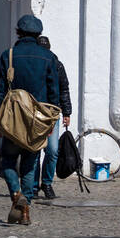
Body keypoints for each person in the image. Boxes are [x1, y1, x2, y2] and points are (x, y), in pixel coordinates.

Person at [0, 14, 60, 226]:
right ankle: (25, 206)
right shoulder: (49, 57)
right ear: (38, 34)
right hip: (37, 121)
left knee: (8, 160)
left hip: (13, 119)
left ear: (18, 33)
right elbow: (53, 93)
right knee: (30, 165)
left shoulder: (8, 55)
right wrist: (51, 122)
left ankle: (15, 193)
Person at [36, 34, 73, 201]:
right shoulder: (35, 65)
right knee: (35, 150)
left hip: (53, 112)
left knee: (52, 150)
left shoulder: (57, 66)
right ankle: (33, 184)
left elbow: (64, 89)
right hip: (36, 111)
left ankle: (47, 182)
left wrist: (67, 112)